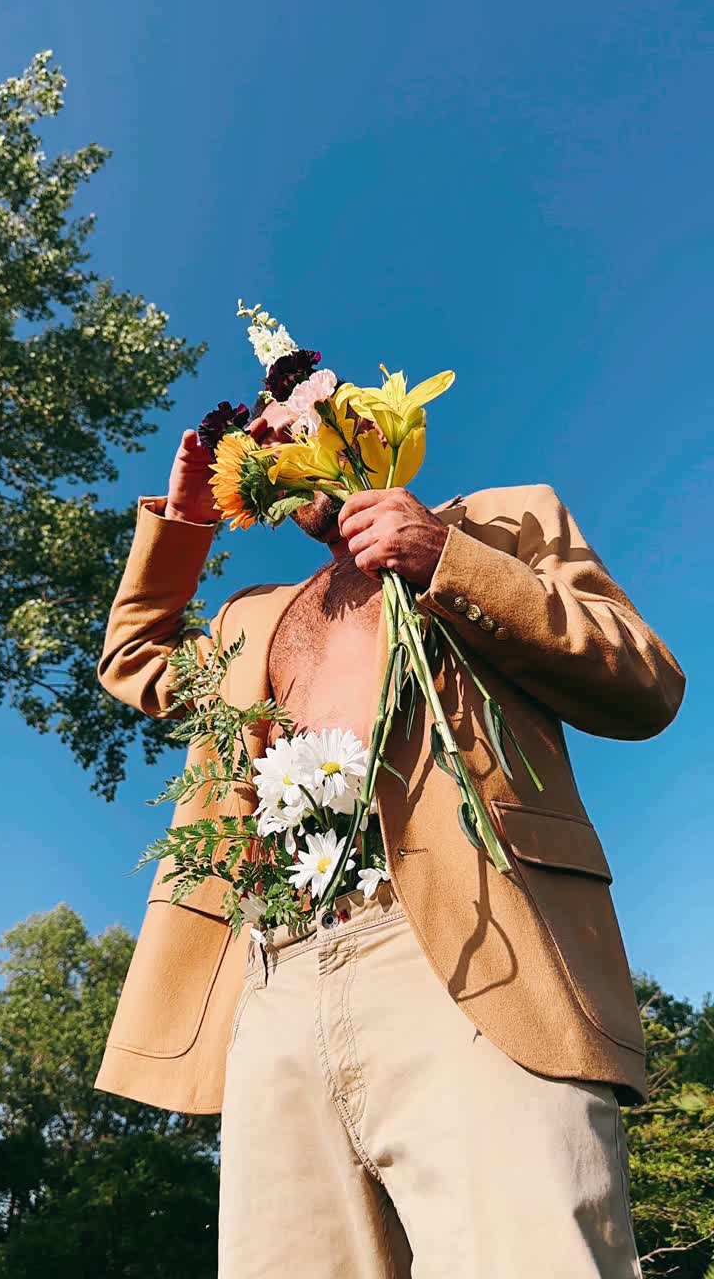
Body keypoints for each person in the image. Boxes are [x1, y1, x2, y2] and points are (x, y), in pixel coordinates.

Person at [94, 398, 686, 1278]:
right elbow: (133, 656)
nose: (283, 453)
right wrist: (185, 520)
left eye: (301, 429)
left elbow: (644, 679)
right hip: (276, 982)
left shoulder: (505, 520)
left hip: (477, 960)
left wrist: (450, 559)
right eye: (266, 449)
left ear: (369, 426)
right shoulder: (251, 617)